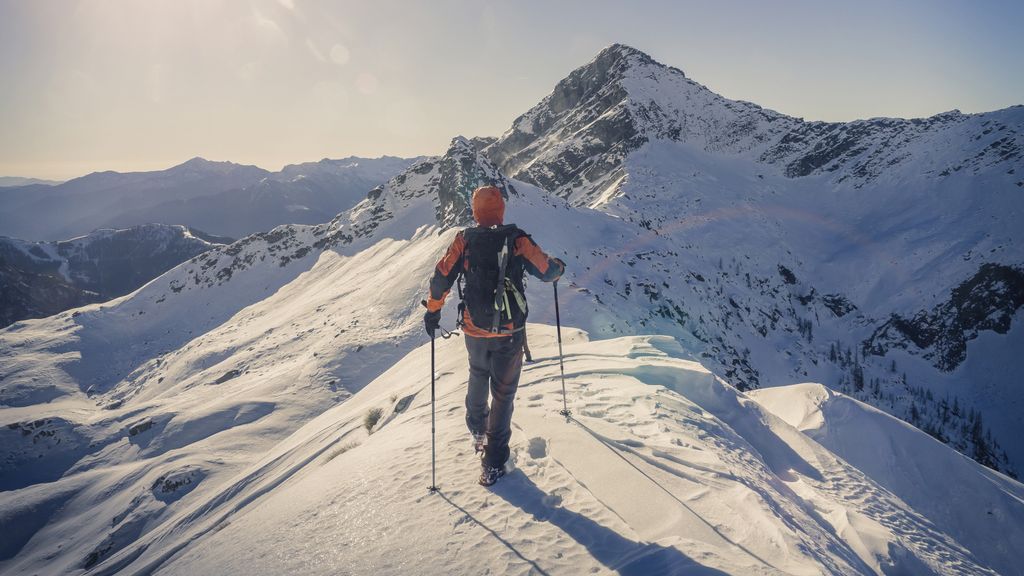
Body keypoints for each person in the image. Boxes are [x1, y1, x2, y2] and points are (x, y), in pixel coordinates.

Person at [423, 185, 565, 486]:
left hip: (475, 329)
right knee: (503, 393)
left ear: (475, 211)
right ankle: (493, 462)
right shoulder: (517, 239)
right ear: (501, 210)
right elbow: (547, 272)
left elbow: (441, 278)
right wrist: (558, 268)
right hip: (510, 332)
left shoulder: (464, 240)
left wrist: (433, 311)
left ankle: (477, 428)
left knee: (477, 372)